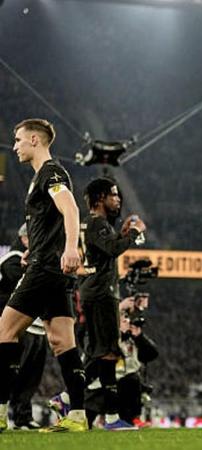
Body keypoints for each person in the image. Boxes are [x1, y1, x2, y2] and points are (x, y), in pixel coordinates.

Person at [0, 119, 87, 433]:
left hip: (45, 268)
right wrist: (33, 249)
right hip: (50, 267)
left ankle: (0, 412)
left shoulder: (51, 173)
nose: (15, 146)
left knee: (4, 331)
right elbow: (51, 221)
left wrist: (71, 248)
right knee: (63, 342)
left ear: (35, 140)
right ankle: (77, 415)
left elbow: (71, 209)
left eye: (18, 139)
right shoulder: (44, 176)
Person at [78, 177, 146, 430]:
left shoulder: (91, 223)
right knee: (106, 352)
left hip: (94, 291)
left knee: (104, 352)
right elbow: (112, 248)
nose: (118, 199)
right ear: (100, 199)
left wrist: (122, 233)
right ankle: (68, 398)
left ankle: (110, 416)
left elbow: (104, 248)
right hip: (101, 293)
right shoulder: (97, 223)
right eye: (114, 195)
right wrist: (135, 233)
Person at [0, 224, 47, 430]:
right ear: (25, 239)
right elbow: (21, 282)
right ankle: (5, 412)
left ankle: (23, 417)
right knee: (13, 372)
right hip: (17, 327)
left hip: (36, 326)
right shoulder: (12, 259)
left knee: (31, 376)